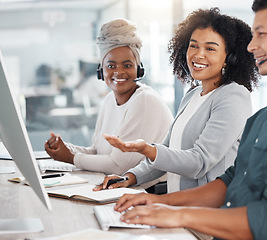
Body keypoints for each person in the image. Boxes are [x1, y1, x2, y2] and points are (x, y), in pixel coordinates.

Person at [106, 1, 267, 240]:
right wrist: (160, 202)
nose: (250, 46)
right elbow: (231, 181)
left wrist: (176, 214)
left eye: (261, 34)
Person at [95, 8, 258, 193]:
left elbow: (199, 161)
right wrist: (129, 177)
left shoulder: (234, 96)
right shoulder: (192, 95)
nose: (198, 54)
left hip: (207, 213)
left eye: (210, 48)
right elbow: (167, 153)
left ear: (230, 57)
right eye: (194, 45)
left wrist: (147, 149)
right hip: (177, 208)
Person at [44, 19, 174, 180]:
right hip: (122, 187)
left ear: (139, 69)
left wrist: (71, 158)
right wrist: (66, 149)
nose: (119, 72)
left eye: (127, 65)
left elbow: (118, 167)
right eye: (111, 66)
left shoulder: (145, 100)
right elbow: (97, 153)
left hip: (150, 193)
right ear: (101, 70)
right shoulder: (109, 100)